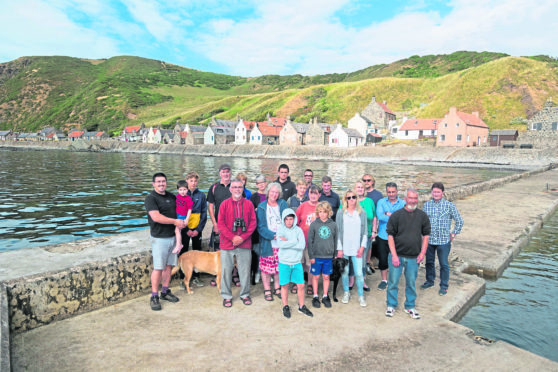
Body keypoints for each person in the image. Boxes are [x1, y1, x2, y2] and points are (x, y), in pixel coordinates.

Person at [385, 188, 431, 319]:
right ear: (405, 199)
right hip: (397, 255)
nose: (413, 201)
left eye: (415, 198)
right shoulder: (396, 215)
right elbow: (390, 236)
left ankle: (410, 306)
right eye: (410, 198)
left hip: (414, 257)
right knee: (393, 282)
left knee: (411, 282)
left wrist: (422, 253)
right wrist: (393, 255)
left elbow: (426, 235)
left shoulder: (422, 216)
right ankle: (391, 305)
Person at [144, 172, 185, 311]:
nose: (161, 184)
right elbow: (156, 217)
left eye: (163, 181)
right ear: (153, 184)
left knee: (168, 266)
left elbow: (181, 210)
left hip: (173, 236)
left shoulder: (171, 196)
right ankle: (154, 296)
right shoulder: (151, 198)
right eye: (158, 182)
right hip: (159, 238)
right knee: (158, 268)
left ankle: (165, 291)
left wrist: (183, 221)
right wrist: (175, 221)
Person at [217, 178, 257, 308]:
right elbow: (220, 224)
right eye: (234, 187)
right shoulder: (224, 204)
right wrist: (232, 237)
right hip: (227, 243)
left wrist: (243, 237)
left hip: (244, 243)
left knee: (245, 271)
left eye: (240, 187)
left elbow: (252, 223)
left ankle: (245, 294)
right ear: (230, 189)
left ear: (243, 188)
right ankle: (226, 295)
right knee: (226, 270)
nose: (237, 190)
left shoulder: (249, 204)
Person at [421, 182, 464, 296]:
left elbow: (459, 221)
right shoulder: (427, 205)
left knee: (443, 264)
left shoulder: (449, 206)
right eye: (434, 192)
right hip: (429, 240)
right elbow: (423, 221)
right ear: (432, 192)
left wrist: (454, 233)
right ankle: (430, 281)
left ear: (442, 193)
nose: (436, 194)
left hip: (444, 241)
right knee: (429, 262)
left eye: (438, 192)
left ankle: (444, 285)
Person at [207, 163, 240, 287]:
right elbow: (210, 206)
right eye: (223, 172)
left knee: (235, 250)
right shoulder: (214, 187)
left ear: (230, 173)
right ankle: (219, 275)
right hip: (219, 225)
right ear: (220, 173)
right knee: (219, 250)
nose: (226, 174)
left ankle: (234, 275)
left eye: (228, 171)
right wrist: (214, 223)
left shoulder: (236, 186)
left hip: (234, 226)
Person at [277, 208, 313, 318]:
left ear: (294, 219)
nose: (288, 221)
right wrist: (294, 241)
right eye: (286, 219)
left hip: (296, 262)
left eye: (291, 219)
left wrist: (287, 241)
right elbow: (280, 245)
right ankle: (285, 306)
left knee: (301, 285)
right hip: (284, 262)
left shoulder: (298, 230)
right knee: (284, 285)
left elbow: (301, 246)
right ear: (283, 220)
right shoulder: (280, 230)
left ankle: (301, 306)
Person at [257, 182, 289, 301]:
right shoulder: (261, 207)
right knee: (266, 268)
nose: (274, 194)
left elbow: (288, 220)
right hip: (268, 242)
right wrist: (273, 236)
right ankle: (267, 289)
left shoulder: (283, 203)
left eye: (276, 192)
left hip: (281, 242)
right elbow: (260, 227)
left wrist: (283, 235)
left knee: (278, 267)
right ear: (268, 192)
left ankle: (277, 287)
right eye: (272, 192)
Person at [336, 190, 368, 307]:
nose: (351, 200)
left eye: (353, 197)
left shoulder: (361, 213)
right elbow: (338, 232)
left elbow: (365, 232)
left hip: (357, 249)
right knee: (345, 272)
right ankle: (346, 292)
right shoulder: (340, 213)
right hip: (344, 248)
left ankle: (361, 295)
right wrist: (339, 249)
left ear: (356, 198)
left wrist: (362, 247)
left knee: (359, 273)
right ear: (345, 199)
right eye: (348, 198)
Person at [177, 171, 207, 288]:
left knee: (197, 252)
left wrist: (198, 229)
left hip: (196, 228)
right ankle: (182, 278)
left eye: (195, 181)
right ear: (187, 181)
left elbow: (204, 213)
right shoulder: (181, 195)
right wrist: (186, 229)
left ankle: (196, 276)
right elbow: (179, 213)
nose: (193, 183)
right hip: (185, 228)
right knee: (183, 252)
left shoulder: (201, 195)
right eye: (191, 181)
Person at [375, 182, 406, 291]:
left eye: (393, 192)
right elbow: (380, 216)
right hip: (383, 236)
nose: (391, 194)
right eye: (389, 192)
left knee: (396, 259)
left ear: (397, 191)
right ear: (386, 192)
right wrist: (395, 216)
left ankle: (394, 280)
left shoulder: (403, 203)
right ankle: (384, 280)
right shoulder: (381, 202)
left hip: (398, 237)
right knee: (383, 260)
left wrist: (388, 214)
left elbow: (404, 218)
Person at [307, 201, 337, 309]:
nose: (322, 214)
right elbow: (309, 241)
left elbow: (335, 239)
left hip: (328, 256)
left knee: (326, 276)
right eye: (320, 212)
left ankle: (325, 296)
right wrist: (311, 256)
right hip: (316, 255)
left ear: (328, 212)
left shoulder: (333, 225)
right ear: (317, 212)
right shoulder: (314, 224)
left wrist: (335, 254)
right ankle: (315, 296)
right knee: (315, 276)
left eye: (325, 212)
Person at [296, 184, 321, 295]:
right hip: (302, 241)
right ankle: (299, 283)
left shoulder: (322, 207)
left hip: (315, 243)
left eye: (316, 193)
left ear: (319, 195)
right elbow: (295, 223)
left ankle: (310, 284)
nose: (313, 196)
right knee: (300, 263)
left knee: (311, 264)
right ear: (308, 194)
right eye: (311, 193)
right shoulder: (303, 206)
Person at [353, 180, 377, 291]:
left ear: (364, 189)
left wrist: (373, 231)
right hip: (352, 235)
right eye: (358, 187)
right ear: (354, 189)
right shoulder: (350, 200)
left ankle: (362, 281)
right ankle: (351, 280)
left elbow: (375, 217)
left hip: (366, 235)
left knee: (363, 259)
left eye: (362, 187)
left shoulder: (369, 201)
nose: (360, 189)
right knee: (353, 257)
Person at [249, 175, 268, 284]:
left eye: (263, 182)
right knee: (256, 252)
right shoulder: (253, 197)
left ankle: (266, 272)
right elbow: (251, 213)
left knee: (267, 252)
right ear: (256, 185)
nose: (261, 184)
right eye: (259, 183)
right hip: (256, 229)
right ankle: (256, 272)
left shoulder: (270, 195)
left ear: (266, 183)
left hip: (267, 227)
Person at [173, 180, 192, 254]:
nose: (183, 191)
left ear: (187, 189)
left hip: (182, 217)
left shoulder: (188, 198)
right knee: (177, 231)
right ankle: (178, 244)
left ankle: (179, 245)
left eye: (184, 189)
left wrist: (187, 219)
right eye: (180, 190)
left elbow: (190, 210)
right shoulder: (176, 197)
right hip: (176, 216)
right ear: (177, 190)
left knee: (177, 230)